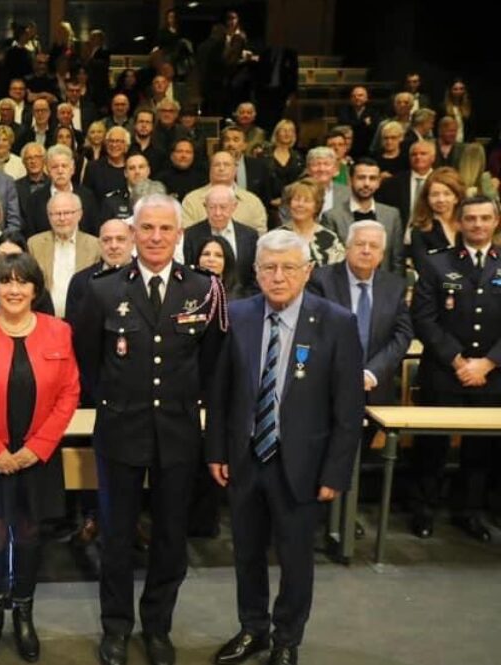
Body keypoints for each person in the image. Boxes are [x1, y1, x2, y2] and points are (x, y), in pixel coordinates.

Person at [72, 194, 227, 665]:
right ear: (133, 234)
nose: (156, 237)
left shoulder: (204, 289)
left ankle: (158, 626)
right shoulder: (102, 290)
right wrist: (118, 399)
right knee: (116, 537)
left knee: (169, 538)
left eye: (165, 229)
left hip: (178, 433)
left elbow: (213, 364)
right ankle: (116, 628)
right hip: (121, 429)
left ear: (180, 235)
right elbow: (87, 363)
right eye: (147, 228)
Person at [207, 229, 363, 665]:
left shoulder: (336, 322)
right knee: (247, 553)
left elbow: (348, 409)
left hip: (304, 466)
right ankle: (252, 629)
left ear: (307, 271)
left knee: (296, 560)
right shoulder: (235, 316)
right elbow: (220, 394)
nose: (278, 277)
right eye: (269, 268)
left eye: (288, 268)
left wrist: (336, 473)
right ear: (255, 272)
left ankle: (287, 639)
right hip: (245, 459)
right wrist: (216, 451)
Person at [0, 252, 79, 662]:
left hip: (35, 457)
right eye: (6, 282)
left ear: (36, 290)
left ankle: (23, 613)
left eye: (23, 282)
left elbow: (69, 393)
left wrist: (35, 450)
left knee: (27, 533)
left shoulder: (59, 332)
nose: (14, 289)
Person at [408, 195, 501, 542]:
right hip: (444, 370)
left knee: (480, 449)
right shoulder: (436, 264)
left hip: (493, 373)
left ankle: (470, 512)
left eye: (485, 218)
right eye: (471, 218)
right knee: (431, 446)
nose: (477, 225)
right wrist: (458, 361)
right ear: (460, 223)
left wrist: (488, 363)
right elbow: (424, 318)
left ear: (495, 222)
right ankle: (423, 510)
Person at [307, 219, 413, 411]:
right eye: (359, 244)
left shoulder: (395, 286)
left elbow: (402, 335)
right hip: (327, 386)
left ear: (382, 254)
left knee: (367, 441)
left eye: (373, 246)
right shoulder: (320, 280)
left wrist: (372, 373)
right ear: (347, 248)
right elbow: (313, 331)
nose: (366, 250)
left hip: (374, 385)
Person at [321, 159, 405, 276]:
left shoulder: (392, 215)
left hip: (383, 286)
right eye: (361, 178)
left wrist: (396, 289)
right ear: (350, 180)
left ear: (379, 182)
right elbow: (329, 261)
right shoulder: (332, 216)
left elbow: (397, 260)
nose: (366, 183)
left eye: (372, 178)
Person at [28, 192, 102, 317]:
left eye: (67, 213)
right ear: (49, 216)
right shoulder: (35, 244)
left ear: (79, 214)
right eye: (56, 214)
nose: (62, 218)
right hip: (44, 319)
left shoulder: (95, 245)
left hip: (83, 318)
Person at [182, 184, 259, 295]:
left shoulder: (250, 235)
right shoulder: (191, 234)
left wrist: (243, 302)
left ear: (234, 206)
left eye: (223, 207)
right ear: (205, 206)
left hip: (241, 302)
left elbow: (255, 277)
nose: (217, 213)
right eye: (212, 207)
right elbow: (188, 273)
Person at [405, 166, 465, 267]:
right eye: (435, 194)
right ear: (427, 198)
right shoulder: (420, 230)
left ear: (457, 197)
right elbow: (423, 266)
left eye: (447, 194)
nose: (441, 199)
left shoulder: (468, 225)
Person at [281, 180, 345, 267]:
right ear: (289, 204)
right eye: (296, 199)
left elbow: (338, 272)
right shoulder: (276, 237)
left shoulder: (331, 239)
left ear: (317, 206)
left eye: (306, 201)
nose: (300, 204)